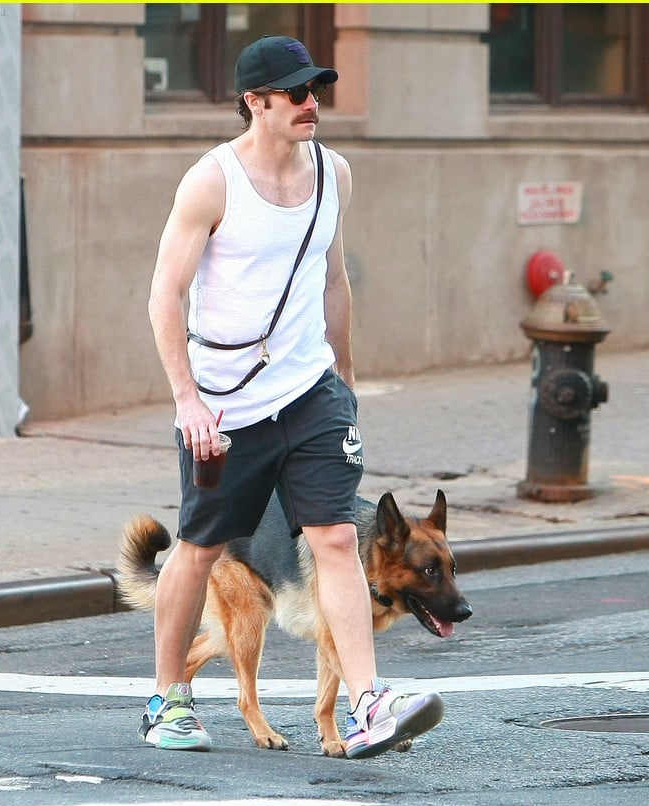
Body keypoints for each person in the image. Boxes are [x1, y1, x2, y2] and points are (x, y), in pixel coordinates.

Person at [144, 35, 442, 758]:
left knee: (337, 536)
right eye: (298, 93)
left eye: (316, 89)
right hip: (227, 405)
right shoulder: (210, 183)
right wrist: (186, 399)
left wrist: (344, 377)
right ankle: (167, 698)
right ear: (256, 101)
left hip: (310, 392)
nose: (314, 104)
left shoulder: (333, 173)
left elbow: (333, 278)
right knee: (198, 547)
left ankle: (370, 702)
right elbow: (165, 294)